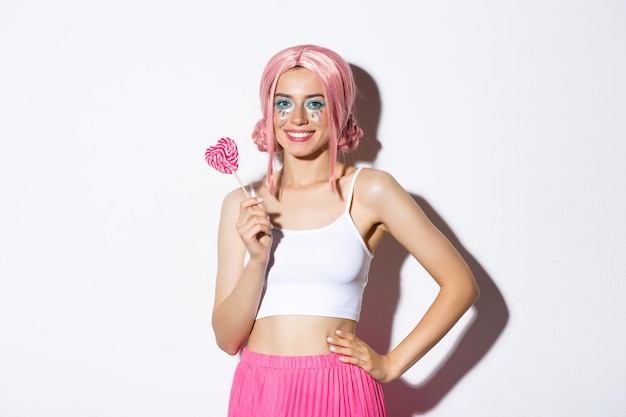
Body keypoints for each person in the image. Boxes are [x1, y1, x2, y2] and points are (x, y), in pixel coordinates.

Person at [212, 44, 479, 417]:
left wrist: (391, 365)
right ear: (269, 113)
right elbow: (227, 339)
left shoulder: (371, 190)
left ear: (337, 109)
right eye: (284, 103)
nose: (298, 118)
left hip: (338, 390)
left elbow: (461, 284)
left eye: (316, 103)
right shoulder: (240, 204)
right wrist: (257, 260)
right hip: (259, 391)